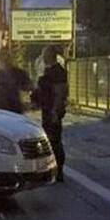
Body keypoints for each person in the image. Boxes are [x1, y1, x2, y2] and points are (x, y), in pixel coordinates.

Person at [34, 45, 68, 182]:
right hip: (47, 109)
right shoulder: (48, 71)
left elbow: (59, 93)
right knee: (49, 140)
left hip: (52, 110)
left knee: (54, 140)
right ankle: (52, 169)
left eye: (45, 54)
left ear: (49, 55)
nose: (43, 57)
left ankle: (58, 171)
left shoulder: (58, 72)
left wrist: (55, 111)